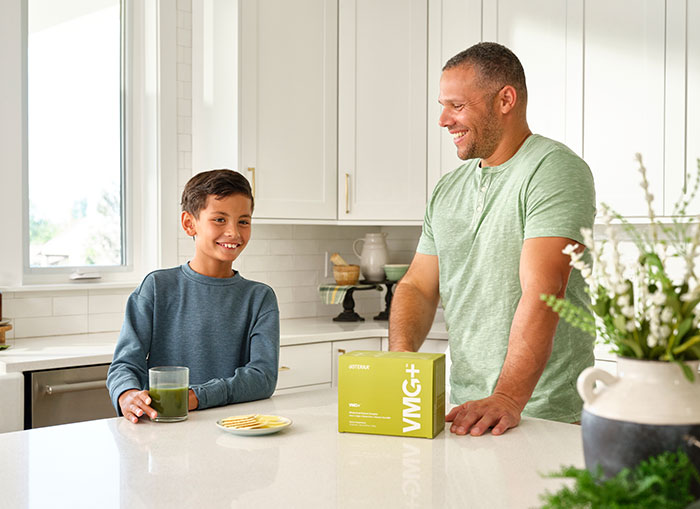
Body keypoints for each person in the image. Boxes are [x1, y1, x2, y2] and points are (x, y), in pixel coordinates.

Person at [389, 42, 596, 436]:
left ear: (505, 99)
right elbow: (418, 284)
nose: (443, 120)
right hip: (464, 410)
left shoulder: (554, 170)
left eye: (457, 106)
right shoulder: (447, 189)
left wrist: (507, 399)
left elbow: (544, 292)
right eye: (442, 105)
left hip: (541, 412)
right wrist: (400, 358)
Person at [107, 169, 280, 423]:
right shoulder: (156, 287)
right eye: (220, 219)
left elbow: (262, 378)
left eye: (243, 221)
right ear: (190, 223)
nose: (234, 232)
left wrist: (196, 397)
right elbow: (124, 365)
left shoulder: (260, 298)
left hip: (234, 430)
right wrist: (127, 394)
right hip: (164, 428)